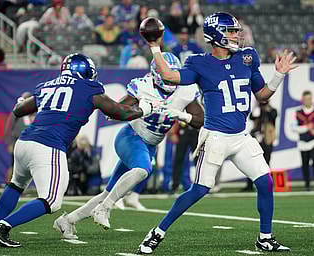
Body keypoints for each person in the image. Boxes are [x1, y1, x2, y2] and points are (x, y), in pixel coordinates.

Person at [137, 12, 297, 254]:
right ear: (215, 35)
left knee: (265, 182)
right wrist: (155, 47)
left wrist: (279, 75)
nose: (236, 35)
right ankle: (156, 233)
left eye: (236, 31)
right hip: (216, 137)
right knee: (199, 189)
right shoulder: (199, 62)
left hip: (242, 137)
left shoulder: (247, 57)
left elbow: (262, 95)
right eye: (231, 31)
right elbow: (169, 76)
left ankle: (265, 238)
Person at [0, 53, 156, 248]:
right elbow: (121, 112)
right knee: (52, 201)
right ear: (84, 71)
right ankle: (2, 227)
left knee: (16, 185)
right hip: (48, 145)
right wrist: (144, 110)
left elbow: (19, 110)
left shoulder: (48, 85)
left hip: (24, 142)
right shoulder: (89, 87)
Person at [52, 52, 204, 240]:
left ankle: (67, 221)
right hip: (131, 137)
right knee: (142, 170)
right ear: (156, 72)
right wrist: (141, 110)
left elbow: (200, 120)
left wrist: (183, 116)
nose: (169, 76)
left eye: (172, 72)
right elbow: (113, 113)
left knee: (110, 191)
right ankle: (105, 209)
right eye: (166, 71)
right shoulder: (143, 86)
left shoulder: (186, 90)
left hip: (150, 144)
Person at [292, 91, 314, 191]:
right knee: (305, 165)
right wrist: (306, 128)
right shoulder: (297, 112)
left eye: (309, 99)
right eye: (306, 99)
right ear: (302, 100)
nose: (308, 101)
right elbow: (293, 127)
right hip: (302, 143)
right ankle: (307, 185)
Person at [243, 101, 277, 191]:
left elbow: (273, 116)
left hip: (267, 139)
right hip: (256, 139)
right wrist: (256, 108)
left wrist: (266, 109)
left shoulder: (272, 110)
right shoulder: (257, 110)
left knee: (266, 162)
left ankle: (267, 184)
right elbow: (252, 117)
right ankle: (249, 185)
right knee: (251, 162)